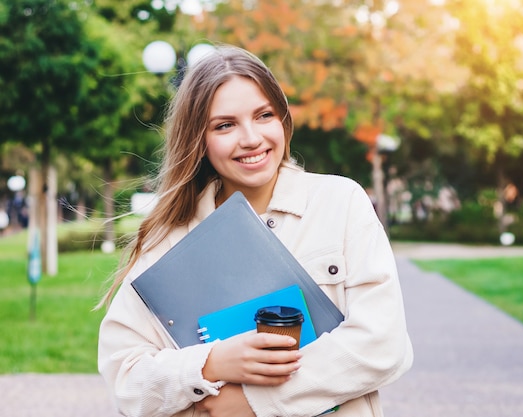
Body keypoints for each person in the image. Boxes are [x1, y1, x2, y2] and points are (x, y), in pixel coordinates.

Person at [97, 44, 413, 417]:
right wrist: (210, 363)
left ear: (283, 119)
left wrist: (251, 402)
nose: (251, 138)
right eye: (225, 125)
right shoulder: (169, 240)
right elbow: (126, 382)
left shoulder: (340, 202)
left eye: (264, 115)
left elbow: (382, 345)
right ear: (198, 139)